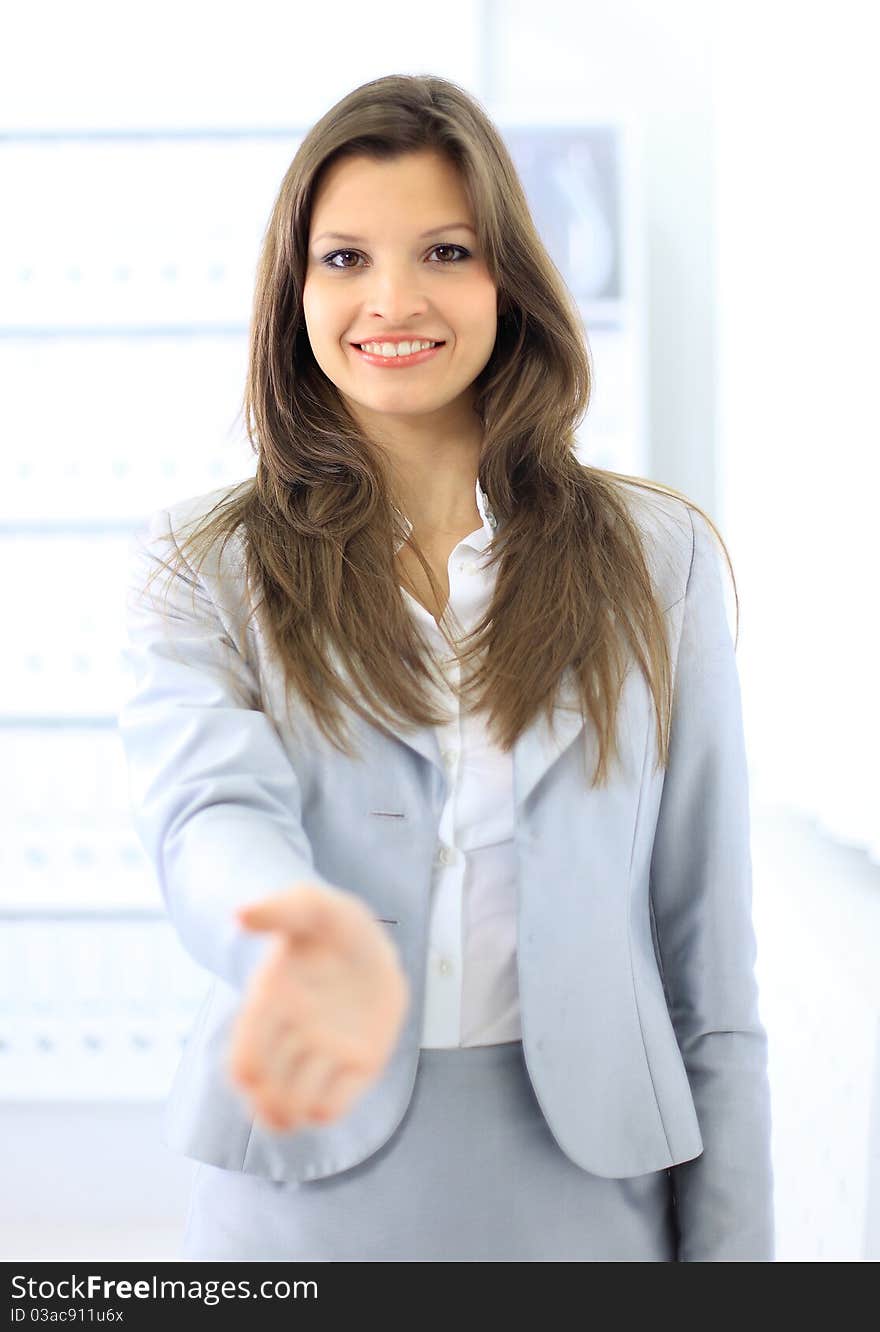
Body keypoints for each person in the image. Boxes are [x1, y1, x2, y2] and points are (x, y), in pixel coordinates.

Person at [118, 73, 774, 1262]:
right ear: (294, 290)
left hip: (587, 1187)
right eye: (345, 259)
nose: (393, 299)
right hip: (296, 1192)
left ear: (507, 279)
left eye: (445, 250)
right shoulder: (200, 563)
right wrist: (296, 927)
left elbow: (708, 969)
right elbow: (205, 812)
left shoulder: (654, 558)